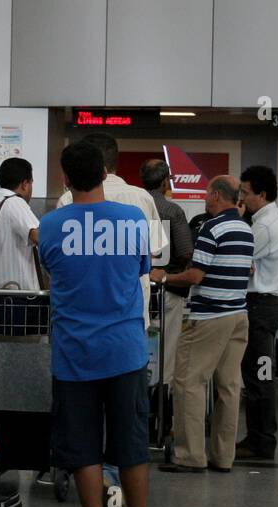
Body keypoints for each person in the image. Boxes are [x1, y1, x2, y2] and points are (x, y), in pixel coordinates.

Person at [39, 141, 169, 507]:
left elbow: (51, 274)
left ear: (65, 178)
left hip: (74, 354)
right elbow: (140, 270)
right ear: (105, 174)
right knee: (131, 441)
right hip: (126, 350)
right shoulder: (133, 219)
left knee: (82, 446)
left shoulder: (51, 226)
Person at [152, 175, 252, 473]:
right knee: (229, 387)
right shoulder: (245, 229)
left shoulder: (212, 227)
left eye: (208, 193)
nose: (205, 199)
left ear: (219, 196)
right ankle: (223, 457)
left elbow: (196, 275)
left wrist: (165, 277)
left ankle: (189, 456)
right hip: (238, 316)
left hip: (209, 317)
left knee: (188, 384)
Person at [56, 132, 168, 327]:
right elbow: (156, 253)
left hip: (80, 316)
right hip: (132, 316)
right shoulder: (142, 198)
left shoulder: (66, 201)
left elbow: (59, 260)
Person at [234, 165, 278, 462]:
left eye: (245, 192)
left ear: (262, 194)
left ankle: (262, 442)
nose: (241, 198)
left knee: (259, 377)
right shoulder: (268, 220)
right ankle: (258, 438)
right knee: (258, 375)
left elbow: (239, 255)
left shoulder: (265, 226)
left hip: (260, 307)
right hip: (264, 306)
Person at [141, 159, 194, 390]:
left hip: (137, 289)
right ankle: (161, 412)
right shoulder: (173, 210)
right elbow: (185, 252)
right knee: (166, 354)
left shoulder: (133, 207)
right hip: (167, 290)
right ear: (165, 182)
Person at [0, 157, 41, 290]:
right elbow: (39, 236)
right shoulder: (14, 202)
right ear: (24, 184)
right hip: (15, 297)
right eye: (31, 183)